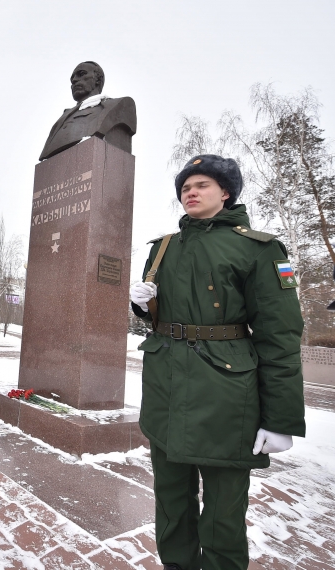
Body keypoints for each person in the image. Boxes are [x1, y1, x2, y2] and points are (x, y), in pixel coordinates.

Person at [129, 155, 306, 570]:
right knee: (171, 503)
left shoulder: (258, 247)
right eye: (185, 187)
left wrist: (280, 418)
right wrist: (140, 306)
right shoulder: (162, 248)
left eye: (202, 184)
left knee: (224, 512)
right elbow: (160, 315)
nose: (191, 192)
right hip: (166, 387)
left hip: (226, 391)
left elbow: (278, 337)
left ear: (226, 193)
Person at [39, 61, 137, 160]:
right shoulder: (63, 117)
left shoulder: (120, 105)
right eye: (72, 79)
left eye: (81, 74)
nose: (74, 80)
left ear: (98, 79)